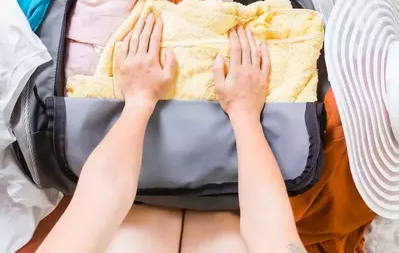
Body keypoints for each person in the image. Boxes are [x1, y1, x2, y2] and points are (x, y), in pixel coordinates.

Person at [37, 13, 306, 253]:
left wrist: (140, 102)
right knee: (219, 227)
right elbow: (270, 231)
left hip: (144, 213)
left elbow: (97, 204)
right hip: (219, 213)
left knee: (142, 225)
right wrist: (245, 113)